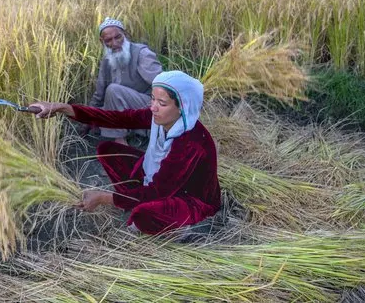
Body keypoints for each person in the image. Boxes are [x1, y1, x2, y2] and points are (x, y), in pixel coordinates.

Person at [30, 71, 221, 235]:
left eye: (162, 103)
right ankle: (132, 200)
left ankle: (182, 229)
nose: (153, 107)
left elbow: (158, 192)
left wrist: (103, 198)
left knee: (142, 216)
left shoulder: (191, 144)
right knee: (107, 150)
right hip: (156, 178)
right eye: (152, 99)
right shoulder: (157, 118)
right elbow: (116, 119)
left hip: (190, 200)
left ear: (182, 107)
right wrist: (63, 108)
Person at [88, 17, 163, 146]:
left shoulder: (142, 54)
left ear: (126, 35)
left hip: (148, 106)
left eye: (118, 37)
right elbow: (99, 94)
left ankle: (120, 141)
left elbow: (161, 84)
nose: (115, 43)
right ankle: (130, 132)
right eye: (108, 40)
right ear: (102, 42)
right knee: (100, 110)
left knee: (113, 90)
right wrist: (87, 117)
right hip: (125, 110)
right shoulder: (107, 60)